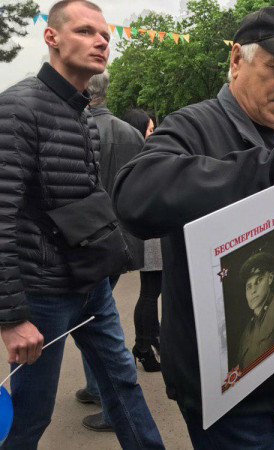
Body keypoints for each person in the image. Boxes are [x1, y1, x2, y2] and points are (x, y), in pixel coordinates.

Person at [112, 6, 274, 447]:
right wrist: (273, 166)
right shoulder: (195, 125)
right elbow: (134, 194)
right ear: (236, 60)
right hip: (222, 382)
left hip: (269, 361)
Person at [0, 1, 164, 448]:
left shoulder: (85, 117)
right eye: (86, 31)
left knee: (124, 387)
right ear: (51, 37)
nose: (101, 42)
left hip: (92, 284)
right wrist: (12, 319)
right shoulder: (16, 108)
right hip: (43, 295)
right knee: (30, 416)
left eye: (105, 35)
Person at [74, 71, 149, 433]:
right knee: (95, 315)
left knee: (95, 320)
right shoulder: (131, 132)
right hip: (125, 237)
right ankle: (96, 388)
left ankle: (108, 402)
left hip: (90, 239)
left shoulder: (77, 128)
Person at [122, 108, 162, 372]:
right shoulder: (143, 157)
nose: (153, 133)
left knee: (151, 291)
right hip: (152, 234)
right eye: (150, 129)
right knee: (150, 292)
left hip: (150, 232)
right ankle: (143, 347)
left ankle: (151, 341)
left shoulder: (137, 155)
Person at [236, 252, 274, 370]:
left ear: (270, 278)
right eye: (249, 286)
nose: (253, 291)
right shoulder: (246, 333)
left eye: (259, 280)